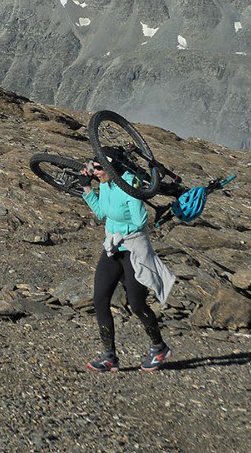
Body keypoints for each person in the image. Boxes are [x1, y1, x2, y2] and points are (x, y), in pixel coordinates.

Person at [79, 158, 178, 372]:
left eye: (98, 168)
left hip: (133, 250)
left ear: (112, 168)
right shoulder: (106, 183)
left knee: (137, 305)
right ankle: (109, 357)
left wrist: (134, 195)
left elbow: (140, 221)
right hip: (113, 248)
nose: (95, 171)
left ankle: (159, 348)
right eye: (93, 167)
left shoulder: (128, 183)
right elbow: (101, 212)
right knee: (100, 299)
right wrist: (87, 187)